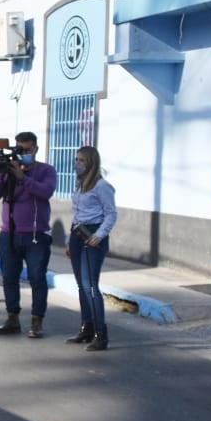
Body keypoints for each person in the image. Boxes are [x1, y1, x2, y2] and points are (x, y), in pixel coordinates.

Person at [0, 131, 57, 338]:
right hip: (9, 234)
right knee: (9, 277)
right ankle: (12, 318)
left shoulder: (46, 170)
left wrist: (22, 177)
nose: (23, 153)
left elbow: (45, 192)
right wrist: (3, 175)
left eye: (26, 150)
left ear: (35, 148)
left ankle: (37, 321)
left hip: (36, 236)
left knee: (37, 278)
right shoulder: (9, 171)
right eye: (19, 149)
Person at [64, 146, 117, 351]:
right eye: (76, 159)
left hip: (94, 236)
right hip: (78, 235)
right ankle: (86, 327)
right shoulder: (79, 185)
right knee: (81, 286)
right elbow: (76, 215)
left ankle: (101, 334)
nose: (77, 164)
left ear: (92, 163)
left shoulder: (102, 186)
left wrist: (99, 235)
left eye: (82, 160)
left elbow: (111, 214)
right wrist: (70, 241)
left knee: (91, 286)